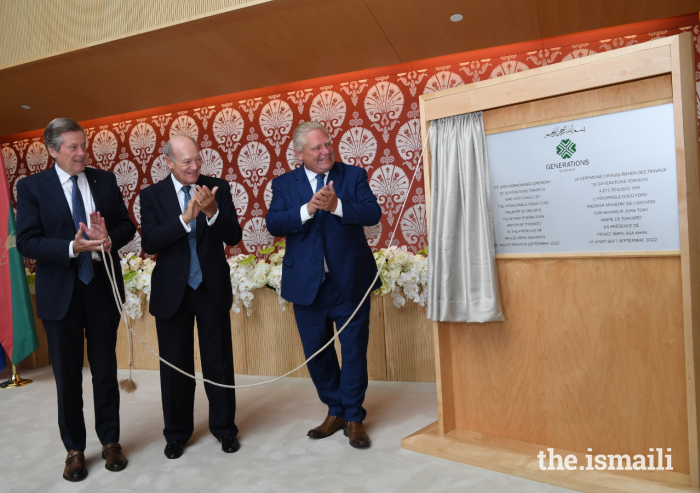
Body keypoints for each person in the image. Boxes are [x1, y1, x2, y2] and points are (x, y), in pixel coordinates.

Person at [15, 118, 136, 482]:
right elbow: (28, 241)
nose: (82, 152)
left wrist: (108, 237)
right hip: (60, 293)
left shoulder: (105, 180)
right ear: (52, 150)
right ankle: (75, 449)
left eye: (83, 145)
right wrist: (71, 247)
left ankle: (111, 442)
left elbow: (126, 226)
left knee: (104, 370)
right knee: (66, 376)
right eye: (72, 147)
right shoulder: (33, 187)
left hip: (100, 286)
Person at [266, 121, 382, 448]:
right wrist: (307, 209)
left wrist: (337, 206)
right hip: (307, 286)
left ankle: (355, 416)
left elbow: (372, 213)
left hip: (351, 282)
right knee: (318, 354)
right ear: (299, 153)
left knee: (354, 352)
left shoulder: (353, 175)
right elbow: (274, 222)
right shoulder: (284, 184)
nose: (325, 151)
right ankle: (335, 410)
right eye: (316, 147)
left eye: (328, 144)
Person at [139, 135, 242, 459]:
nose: (194, 166)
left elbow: (234, 236)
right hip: (173, 292)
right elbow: (151, 242)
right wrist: (185, 220)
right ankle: (176, 434)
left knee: (219, 363)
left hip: (210, 288)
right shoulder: (152, 195)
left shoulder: (217, 188)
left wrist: (212, 213)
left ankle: (225, 430)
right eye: (186, 161)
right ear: (169, 162)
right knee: (174, 368)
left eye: (197, 159)